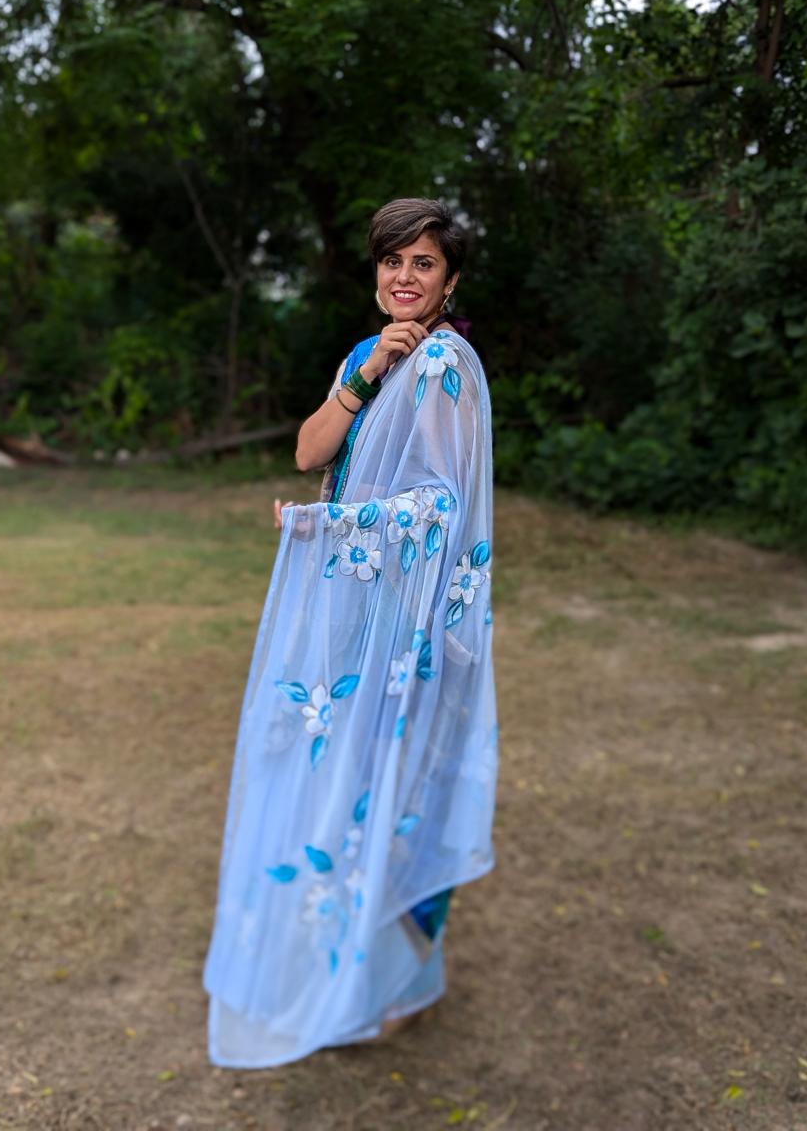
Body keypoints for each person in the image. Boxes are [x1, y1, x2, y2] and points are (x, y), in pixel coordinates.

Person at [202, 198, 498, 1068]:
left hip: (401, 630)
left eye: (424, 265)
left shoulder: (448, 364)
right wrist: (360, 378)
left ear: (451, 280)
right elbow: (307, 450)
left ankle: (395, 984)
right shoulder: (369, 354)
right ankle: (340, 968)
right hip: (346, 621)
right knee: (334, 786)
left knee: (393, 796)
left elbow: (440, 507)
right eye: (391, 262)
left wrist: (330, 530)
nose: (403, 279)